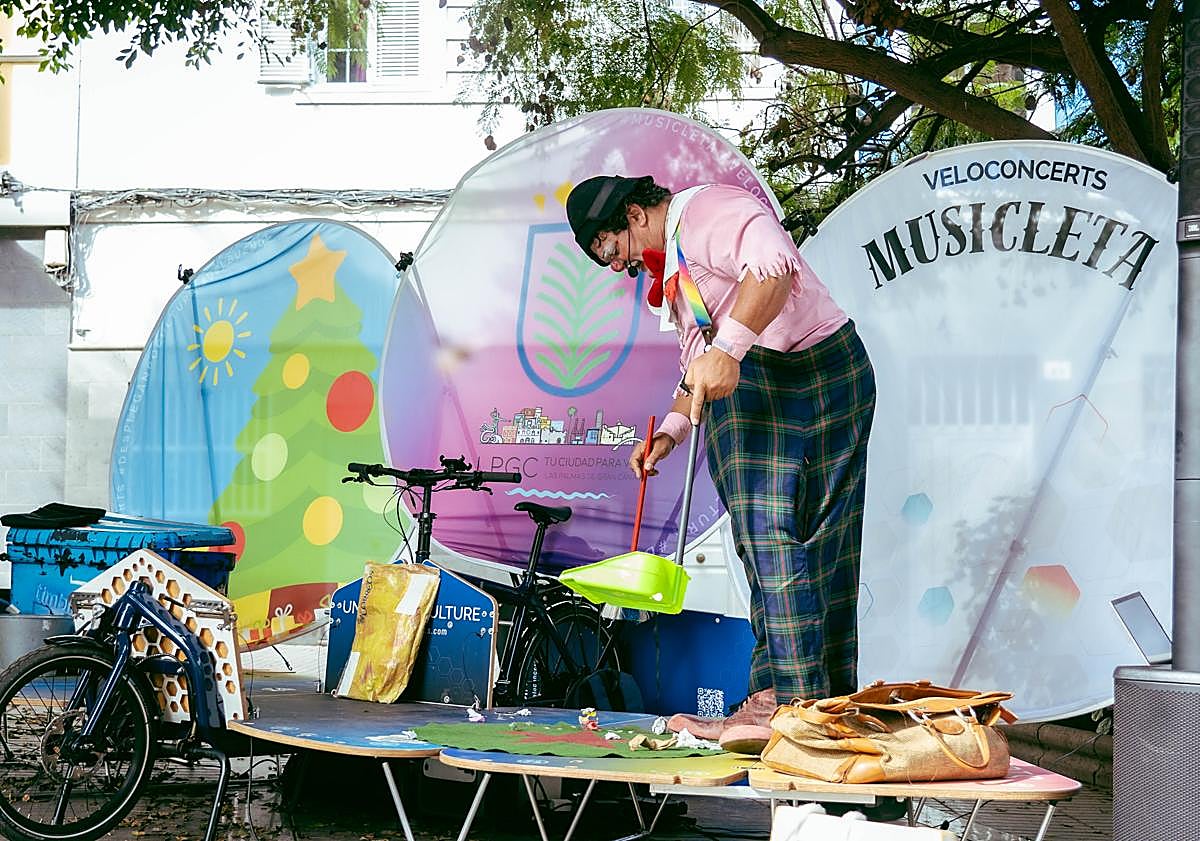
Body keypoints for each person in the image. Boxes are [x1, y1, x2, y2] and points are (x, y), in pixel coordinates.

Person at [565, 174, 876, 754]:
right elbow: (699, 366)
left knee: (785, 539)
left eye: (611, 250)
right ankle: (785, 697)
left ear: (634, 215)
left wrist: (730, 349)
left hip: (807, 372)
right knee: (768, 549)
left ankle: (799, 707)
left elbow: (775, 266)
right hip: (785, 379)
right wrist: (672, 430)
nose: (617, 266)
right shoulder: (679, 275)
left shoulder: (706, 212)